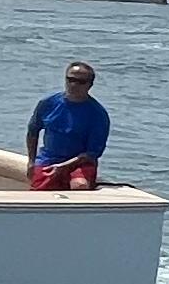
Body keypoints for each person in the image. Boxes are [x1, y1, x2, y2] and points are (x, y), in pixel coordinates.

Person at [25, 59, 109, 191]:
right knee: (39, 193)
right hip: (48, 160)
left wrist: (63, 166)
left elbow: (92, 153)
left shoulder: (97, 114)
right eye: (70, 79)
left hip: (79, 164)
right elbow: (33, 131)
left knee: (79, 186)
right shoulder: (47, 103)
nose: (74, 85)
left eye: (80, 82)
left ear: (90, 85)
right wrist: (31, 162)